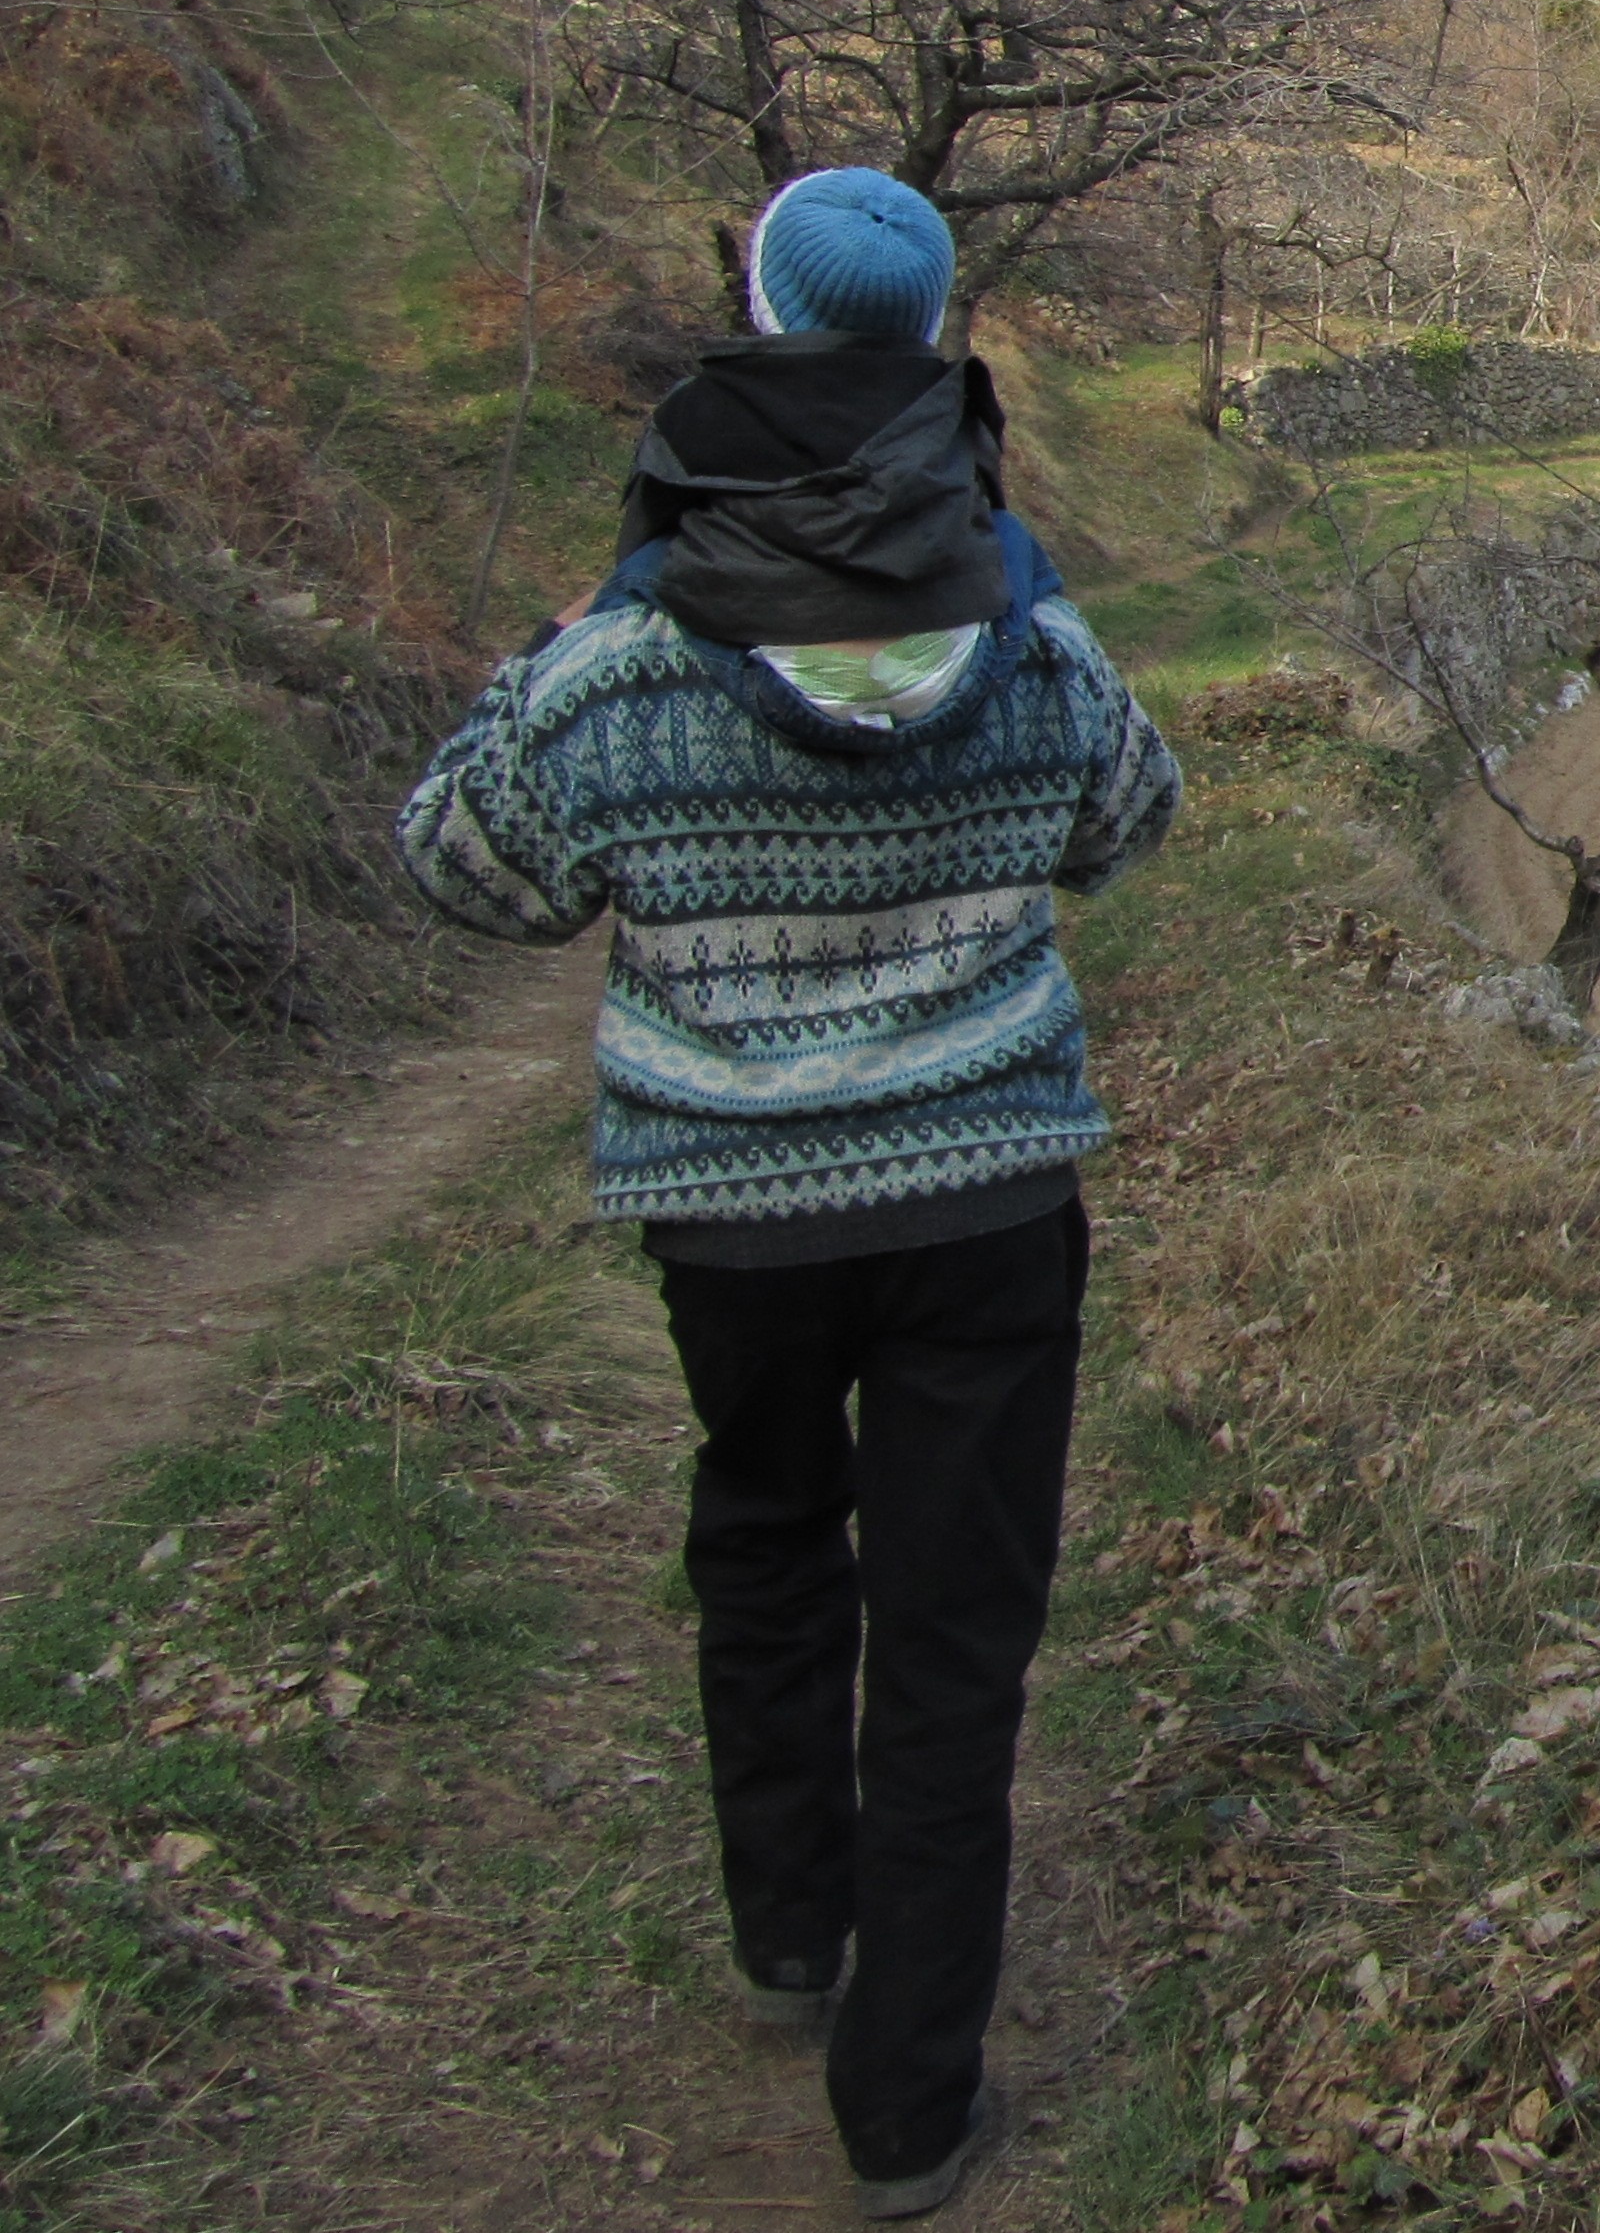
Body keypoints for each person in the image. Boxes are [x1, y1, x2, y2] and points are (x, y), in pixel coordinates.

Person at [395, 168, 1179, 2219]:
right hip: (988, 1197)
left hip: (727, 1208)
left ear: (755, 313)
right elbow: (1132, 815)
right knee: (952, 1630)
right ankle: (908, 2106)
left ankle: (788, 1930)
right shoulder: (1023, 613)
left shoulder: (629, 651)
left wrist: (527, 665)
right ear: (929, 350)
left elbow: (473, 872)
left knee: (764, 1536)